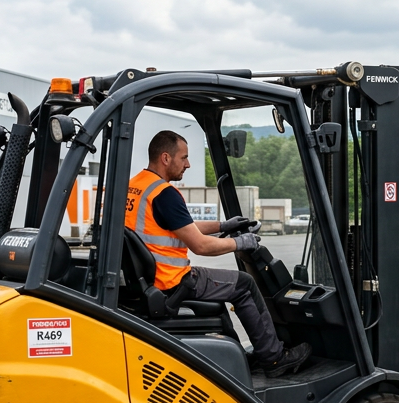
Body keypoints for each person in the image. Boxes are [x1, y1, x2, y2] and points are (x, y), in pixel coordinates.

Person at [125, 130, 311, 377]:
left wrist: (224, 226)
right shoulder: (164, 194)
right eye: (184, 158)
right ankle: (275, 359)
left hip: (148, 281)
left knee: (225, 292)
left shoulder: (136, 187)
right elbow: (200, 246)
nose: (188, 164)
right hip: (171, 280)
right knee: (244, 285)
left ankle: (240, 357)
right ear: (166, 158)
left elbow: (183, 228)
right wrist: (241, 242)